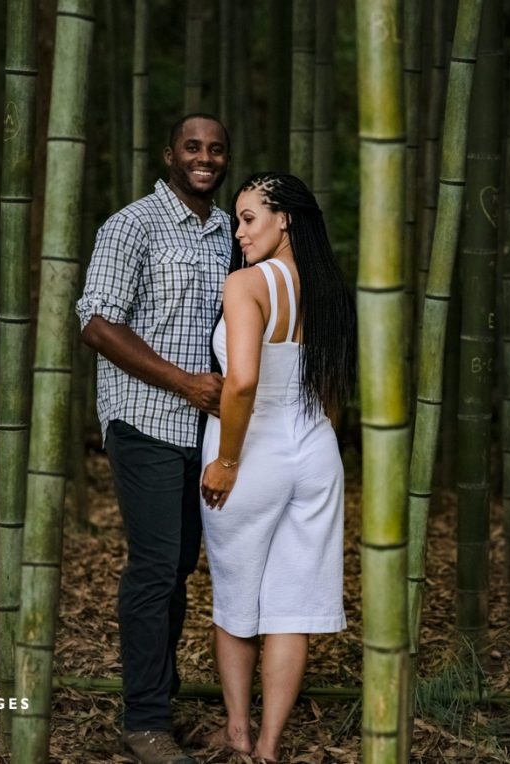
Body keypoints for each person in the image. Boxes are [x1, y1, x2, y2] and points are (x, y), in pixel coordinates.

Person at [76, 113, 232, 764]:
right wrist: (184, 383)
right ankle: (143, 722)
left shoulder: (228, 232)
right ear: (170, 154)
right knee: (155, 566)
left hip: (205, 429)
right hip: (143, 417)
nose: (205, 158)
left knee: (178, 569)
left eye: (216, 149)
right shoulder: (131, 225)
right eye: (192, 147)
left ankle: (158, 700)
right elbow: (97, 323)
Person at [197, 172, 356, 761]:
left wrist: (227, 460)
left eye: (248, 218)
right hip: (314, 449)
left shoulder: (247, 284)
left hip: (252, 451)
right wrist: (314, 444)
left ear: (284, 219)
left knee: (237, 598)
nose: (238, 233)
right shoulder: (328, 288)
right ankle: (268, 747)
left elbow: (241, 382)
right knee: (292, 606)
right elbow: (331, 388)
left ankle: (238, 731)